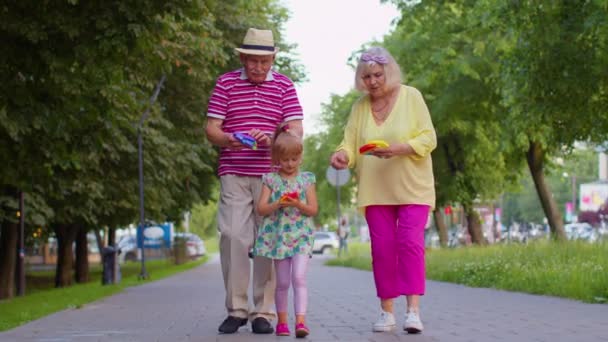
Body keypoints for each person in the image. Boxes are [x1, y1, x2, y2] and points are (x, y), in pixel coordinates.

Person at [329, 46, 436, 334]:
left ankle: (413, 311)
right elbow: (349, 143)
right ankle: (386, 312)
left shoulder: (411, 96)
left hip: (413, 186)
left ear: (389, 73)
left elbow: (429, 137)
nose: (373, 81)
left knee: (410, 243)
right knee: (383, 250)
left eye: (377, 74)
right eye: (366, 76)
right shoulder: (360, 108)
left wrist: (400, 149)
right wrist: (342, 156)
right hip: (375, 189)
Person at [205, 27, 304, 335]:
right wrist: (229, 139)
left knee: (267, 240)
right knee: (233, 235)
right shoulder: (225, 83)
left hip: (270, 175)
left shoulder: (285, 86)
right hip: (234, 170)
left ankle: (263, 311)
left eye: (265, 61)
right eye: (252, 61)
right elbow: (211, 128)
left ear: (273, 58)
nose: (258, 67)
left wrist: (275, 138)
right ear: (243, 58)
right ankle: (236, 309)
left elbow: (296, 131)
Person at [252, 123, 318, 338]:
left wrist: (298, 204)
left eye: (294, 159)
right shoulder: (270, 179)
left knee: (299, 278)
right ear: (276, 160)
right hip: (279, 238)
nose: (290, 164)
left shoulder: (306, 179)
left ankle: (300, 321)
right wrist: (277, 204)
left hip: (301, 237)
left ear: (300, 157)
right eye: (285, 160)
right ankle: (282, 322)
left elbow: (313, 209)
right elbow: (261, 209)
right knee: (282, 282)